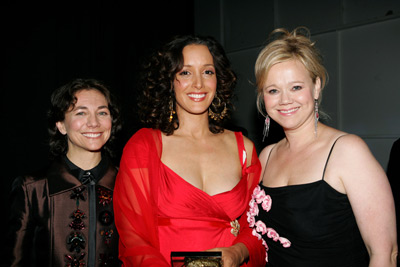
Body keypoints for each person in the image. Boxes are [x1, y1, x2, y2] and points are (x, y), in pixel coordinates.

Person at [247, 27, 398, 266]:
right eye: (273, 90)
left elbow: (384, 253)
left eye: (296, 87)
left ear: (316, 87)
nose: (285, 100)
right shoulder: (266, 156)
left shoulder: (347, 152)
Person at [113, 35, 265, 267]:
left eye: (207, 72)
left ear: (219, 79)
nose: (198, 84)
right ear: (169, 80)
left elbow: (256, 226)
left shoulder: (244, 147)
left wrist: (237, 252)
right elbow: (134, 239)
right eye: (185, 72)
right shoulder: (143, 146)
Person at [4, 78, 122, 266]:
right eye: (81, 113)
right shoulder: (32, 189)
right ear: (61, 125)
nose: (93, 122)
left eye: (102, 112)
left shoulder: (129, 185)